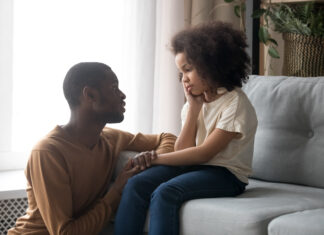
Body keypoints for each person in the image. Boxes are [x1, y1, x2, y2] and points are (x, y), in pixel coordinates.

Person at [114, 21, 258, 235]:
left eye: (188, 70)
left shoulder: (234, 103)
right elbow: (183, 152)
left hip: (227, 175)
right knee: (137, 183)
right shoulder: (194, 103)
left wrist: (154, 158)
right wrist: (193, 108)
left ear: (211, 65)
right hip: (197, 167)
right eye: (180, 73)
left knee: (166, 192)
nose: (184, 79)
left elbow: (204, 153)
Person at [7, 62, 176, 235]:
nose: (122, 95)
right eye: (114, 88)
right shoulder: (48, 152)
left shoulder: (111, 138)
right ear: (90, 95)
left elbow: (168, 138)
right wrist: (116, 191)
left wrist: (153, 160)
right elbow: (65, 233)